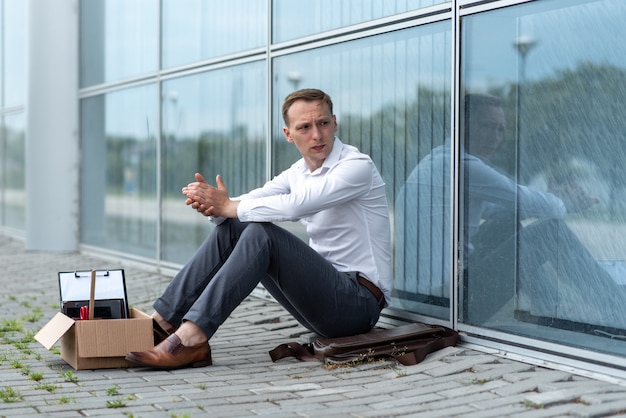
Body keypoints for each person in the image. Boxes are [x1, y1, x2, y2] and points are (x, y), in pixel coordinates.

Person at [126, 88, 392, 369]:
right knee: (237, 225)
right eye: (305, 127)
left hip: (358, 306)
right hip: (323, 298)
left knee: (260, 233)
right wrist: (217, 209)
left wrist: (228, 206)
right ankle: (161, 323)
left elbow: (295, 206)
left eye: (323, 123)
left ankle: (192, 338)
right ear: (289, 134)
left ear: (335, 122)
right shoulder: (297, 173)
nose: (317, 134)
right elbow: (247, 203)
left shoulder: (356, 166)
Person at [395, 93, 621, 326]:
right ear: (462, 127)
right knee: (550, 232)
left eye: (500, 129)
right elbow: (518, 196)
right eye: (487, 126)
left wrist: (551, 199)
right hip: (441, 304)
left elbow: (502, 207)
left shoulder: (440, 160)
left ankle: (552, 307)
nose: (495, 137)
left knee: (507, 221)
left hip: (418, 298)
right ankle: (617, 307)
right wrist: (563, 202)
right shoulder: (460, 165)